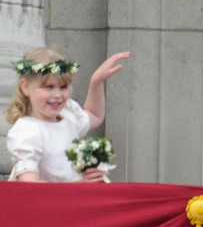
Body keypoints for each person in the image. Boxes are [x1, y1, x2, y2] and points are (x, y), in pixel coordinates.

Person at [5, 47, 130, 182]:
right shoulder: (27, 130)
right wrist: (79, 185)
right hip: (48, 202)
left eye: (63, 87)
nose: (58, 95)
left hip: (75, 199)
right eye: (49, 87)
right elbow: (30, 186)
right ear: (26, 87)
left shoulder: (68, 115)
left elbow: (94, 115)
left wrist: (96, 82)